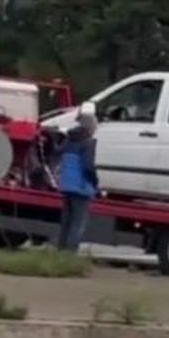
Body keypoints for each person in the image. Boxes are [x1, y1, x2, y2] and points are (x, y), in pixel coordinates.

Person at [55, 107, 98, 251]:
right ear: (90, 127)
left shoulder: (69, 140)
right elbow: (88, 167)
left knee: (66, 223)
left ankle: (60, 254)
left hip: (66, 185)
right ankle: (70, 256)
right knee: (78, 225)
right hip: (81, 187)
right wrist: (95, 183)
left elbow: (57, 152)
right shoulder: (88, 142)